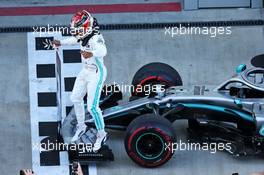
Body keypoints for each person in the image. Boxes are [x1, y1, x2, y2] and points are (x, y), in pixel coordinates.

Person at [52, 10, 107, 152]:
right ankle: (82, 126)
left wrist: (92, 53)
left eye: (78, 29)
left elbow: (103, 50)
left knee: (92, 108)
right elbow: (74, 39)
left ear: (86, 26)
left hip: (96, 73)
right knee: (75, 98)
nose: (76, 32)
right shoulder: (84, 34)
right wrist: (61, 43)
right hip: (86, 71)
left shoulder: (95, 38)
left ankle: (102, 135)